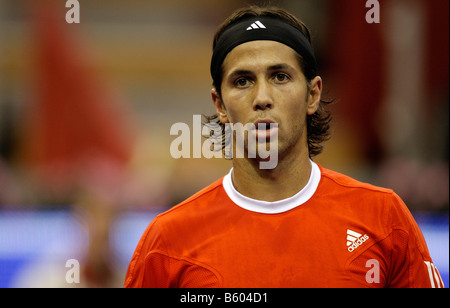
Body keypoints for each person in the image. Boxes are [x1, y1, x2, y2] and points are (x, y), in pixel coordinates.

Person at [124, 5, 444, 288]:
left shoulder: (383, 219)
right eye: (242, 81)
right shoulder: (168, 241)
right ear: (219, 105)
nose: (262, 98)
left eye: (279, 77)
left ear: (312, 94)